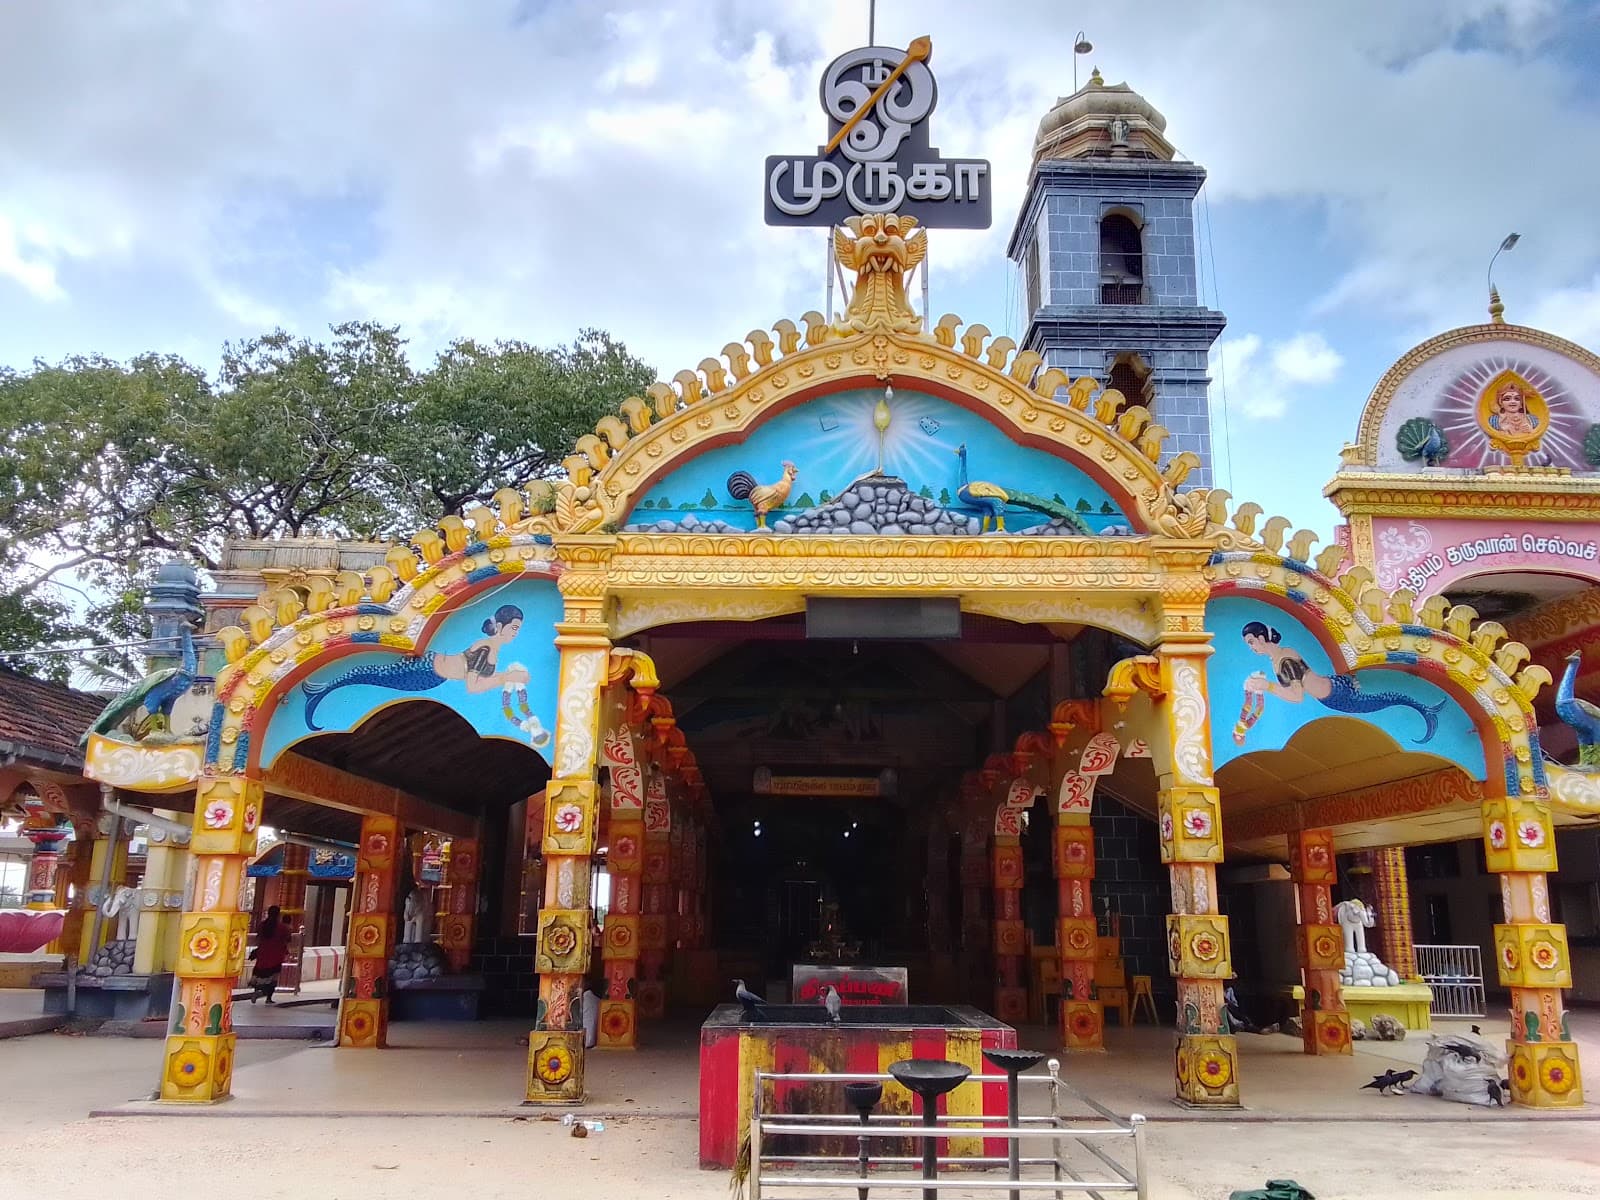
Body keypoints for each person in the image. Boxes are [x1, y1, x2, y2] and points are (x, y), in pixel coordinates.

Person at [1240, 621, 1445, 743]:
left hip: (1336, 697)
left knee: (1383, 700)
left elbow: (1297, 696)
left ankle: (1425, 710)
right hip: (1335, 684)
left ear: (1261, 638)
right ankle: (1424, 708)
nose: (1251, 647)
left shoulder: (1284, 660)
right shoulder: (1283, 653)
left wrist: (1266, 686)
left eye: (1251, 642)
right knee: (1385, 698)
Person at [248, 905, 294, 1004]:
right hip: (276, 955)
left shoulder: (261, 925)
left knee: (259, 974)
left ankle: (256, 991)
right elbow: (288, 939)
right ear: (278, 915)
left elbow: (258, 939)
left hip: (263, 954)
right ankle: (268, 998)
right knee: (273, 977)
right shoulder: (282, 928)